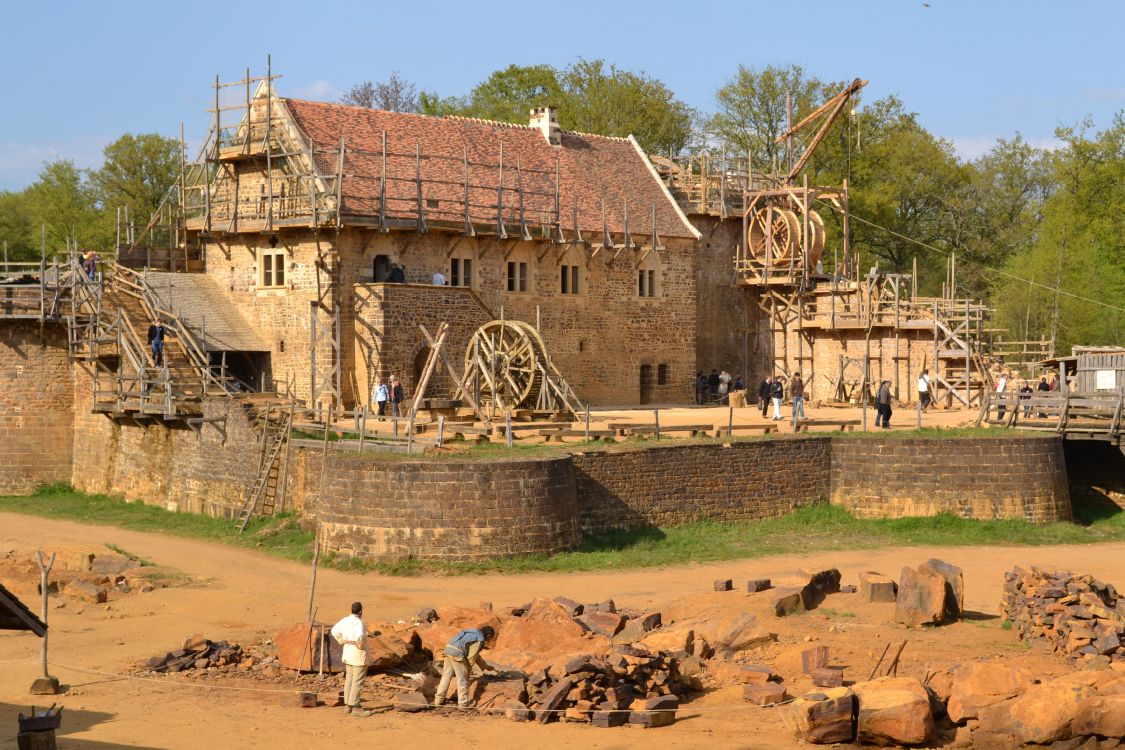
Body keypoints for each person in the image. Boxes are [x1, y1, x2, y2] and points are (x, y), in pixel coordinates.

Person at [433, 626, 498, 708]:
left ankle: (438, 701)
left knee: (446, 676)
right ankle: (463, 704)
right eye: (491, 637)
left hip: (448, 650)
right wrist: (468, 670)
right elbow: (472, 657)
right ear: (488, 635)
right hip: (457, 654)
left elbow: (476, 655)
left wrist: (486, 666)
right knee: (462, 680)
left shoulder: (472, 632)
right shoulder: (479, 638)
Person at [330, 602, 372, 717]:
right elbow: (361, 636)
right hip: (358, 653)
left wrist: (342, 641)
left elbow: (334, 631)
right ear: (360, 611)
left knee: (349, 679)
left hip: (348, 651)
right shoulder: (359, 622)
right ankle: (356, 707)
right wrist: (361, 646)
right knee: (357, 681)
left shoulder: (344, 620)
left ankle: (348, 706)